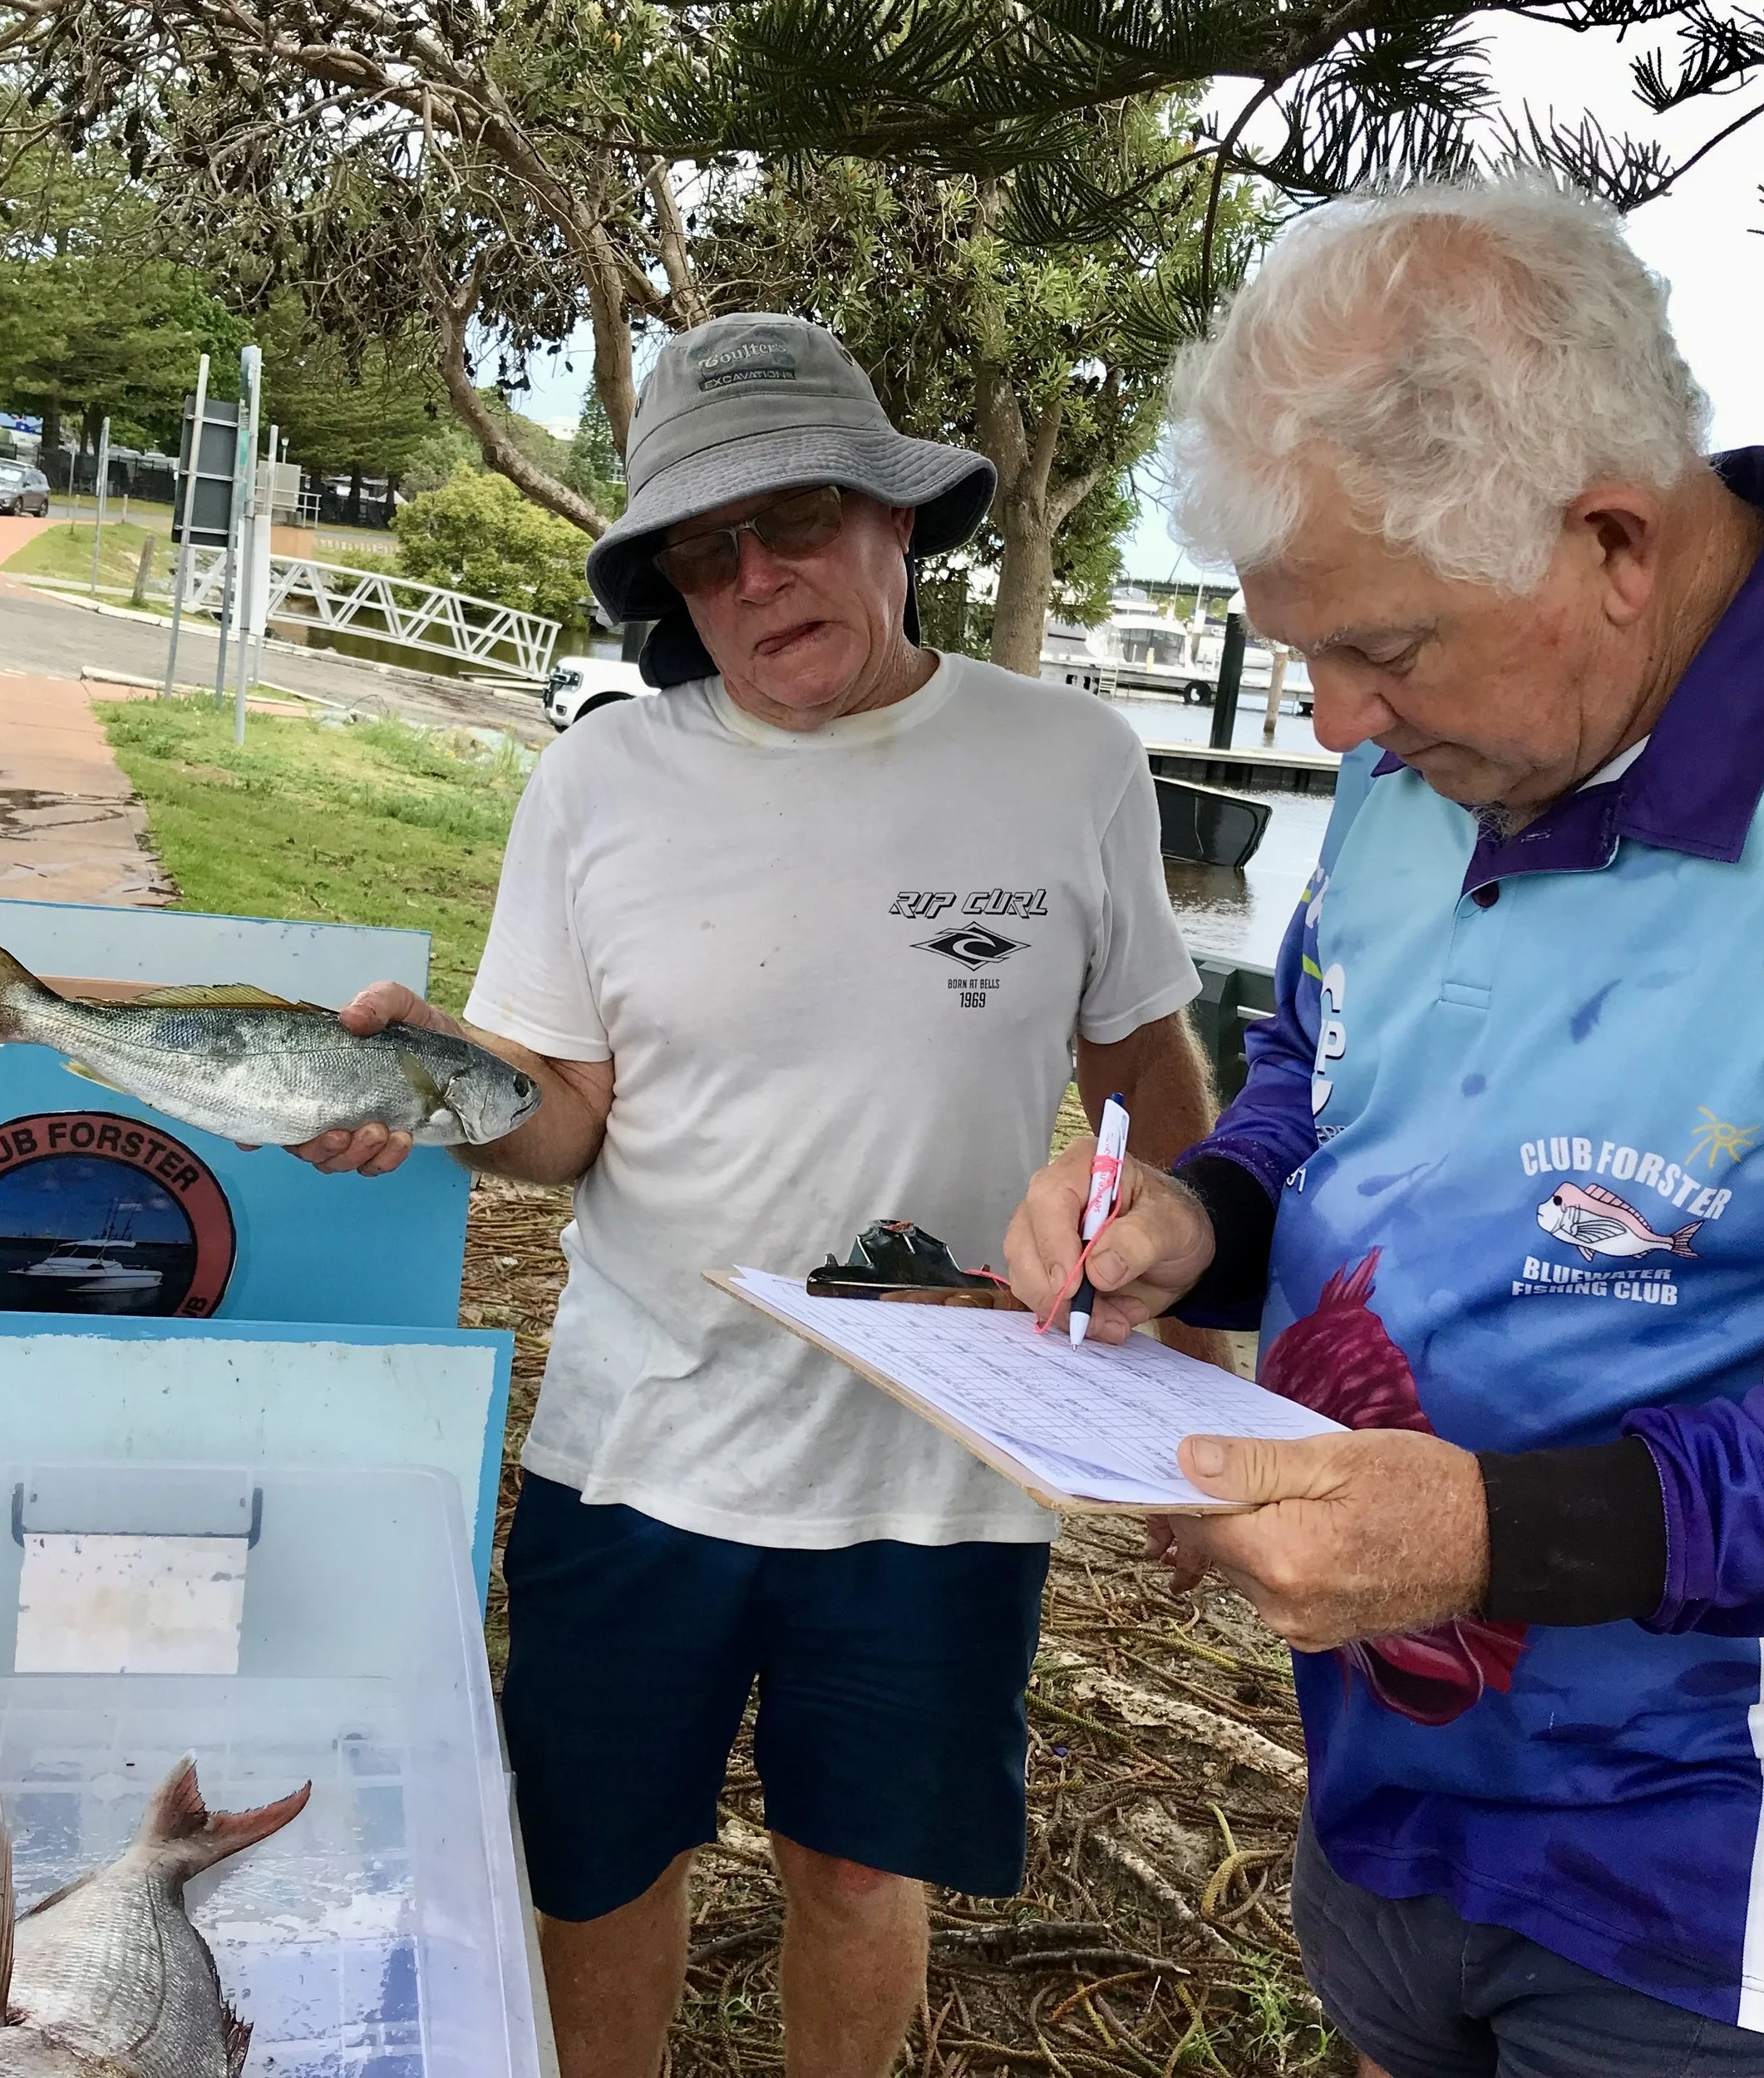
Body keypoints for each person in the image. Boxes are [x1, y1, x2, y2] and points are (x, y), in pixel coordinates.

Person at [1005, 172, 1764, 2071]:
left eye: (1378, 650)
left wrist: (1488, 1532)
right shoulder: (1445, 747)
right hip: (1385, 1790)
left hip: (1730, 1887)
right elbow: (1319, 1093)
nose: (1327, 725)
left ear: (1610, 544)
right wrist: (1189, 1215)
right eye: (1300, 649)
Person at [286, 313, 1221, 2078]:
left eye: (791, 519)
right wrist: (427, 1095)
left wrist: (1195, 1372)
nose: (754, 576)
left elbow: (1148, 1084)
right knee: (597, 1860)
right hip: (638, 1443)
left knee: (858, 1865)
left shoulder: (1068, 759)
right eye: (702, 554)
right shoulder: (597, 782)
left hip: (938, 1468)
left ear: (896, 521)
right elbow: (562, 1118)